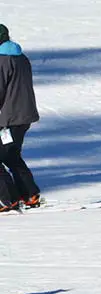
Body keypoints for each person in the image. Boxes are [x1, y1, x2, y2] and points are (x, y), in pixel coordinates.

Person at [0, 24, 41, 213]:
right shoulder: (21, 57)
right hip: (23, 116)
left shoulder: (2, 60)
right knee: (11, 156)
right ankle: (29, 194)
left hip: (8, 119)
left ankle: (7, 200)